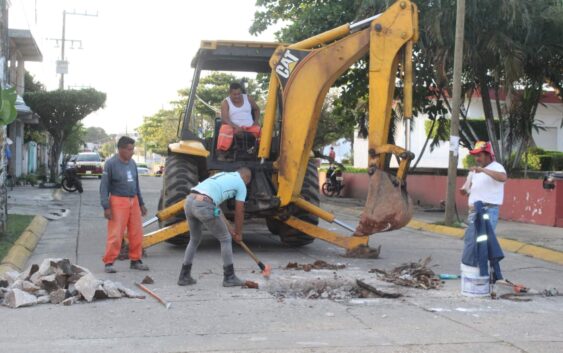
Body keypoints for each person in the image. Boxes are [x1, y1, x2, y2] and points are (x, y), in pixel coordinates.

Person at [178, 167, 252, 287]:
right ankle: (229, 277)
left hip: (190, 201)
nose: (247, 185)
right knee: (225, 239)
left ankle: (184, 276)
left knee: (194, 239)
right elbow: (240, 211)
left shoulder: (223, 175)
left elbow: (217, 209)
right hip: (204, 204)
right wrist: (239, 233)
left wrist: (232, 229)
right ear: (246, 178)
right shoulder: (241, 184)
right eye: (248, 183)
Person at [100, 136, 149, 273]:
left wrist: (141, 203)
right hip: (117, 201)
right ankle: (109, 262)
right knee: (116, 234)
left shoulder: (132, 163)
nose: (132, 152)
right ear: (120, 149)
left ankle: (135, 260)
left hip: (133, 201)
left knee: (136, 233)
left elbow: (136, 184)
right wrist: (106, 206)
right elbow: (104, 187)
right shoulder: (111, 164)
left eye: (132, 149)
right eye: (129, 149)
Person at [460, 140, 507, 266]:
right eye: (475, 156)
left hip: (488, 210)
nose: (477, 158)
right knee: (471, 240)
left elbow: (503, 178)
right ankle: (472, 267)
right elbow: (468, 189)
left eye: (479, 155)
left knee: (481, 241)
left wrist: (483, 171)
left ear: (488, 155)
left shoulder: (497, 167)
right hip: (474, 211)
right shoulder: (474, 171)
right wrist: (465, 191)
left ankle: (478, 269)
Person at [216, 82, 261, 153]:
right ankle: (222, 153)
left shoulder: (248, 98)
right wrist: (235, 127)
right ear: (230, 93)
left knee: (262, 131)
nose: (237, 96)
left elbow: (256, 109)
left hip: (250, 127)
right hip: (234, 128)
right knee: (224, 129)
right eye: (234, 94)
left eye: (239, 94)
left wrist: (256, 122)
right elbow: (225, 119)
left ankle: (262, 153)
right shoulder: (225, 102)